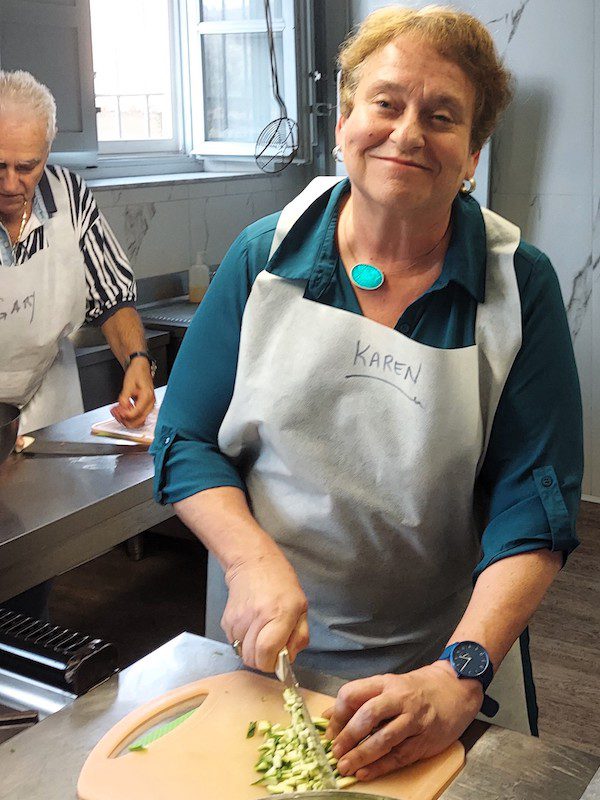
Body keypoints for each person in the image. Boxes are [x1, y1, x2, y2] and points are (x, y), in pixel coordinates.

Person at [151, 5, 582, 780]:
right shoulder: (266, 257)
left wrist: (462, 670)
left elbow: (535, 505)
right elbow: (184, 439)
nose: (408, 133)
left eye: (442, 115)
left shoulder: (520, 287)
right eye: (386, 103)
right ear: (346, 119)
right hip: (269, 649)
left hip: (442, 659)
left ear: (473, 154)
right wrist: (250, 564)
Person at [0, 70, 155, 618]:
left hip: (40, 405)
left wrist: (136, 358)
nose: (12, 183)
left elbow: (112, 297)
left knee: (28, 566)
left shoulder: (68, 196)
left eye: (27, 166)